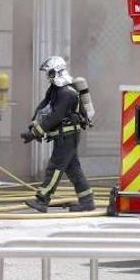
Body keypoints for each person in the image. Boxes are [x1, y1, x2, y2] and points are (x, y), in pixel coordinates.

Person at [21, 56, 94, 213]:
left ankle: (42, 200)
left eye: (49, 73)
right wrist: (33, 124)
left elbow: (55, 116)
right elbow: (44, 107)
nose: (47, 76)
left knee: (54, 167)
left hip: (67, 136)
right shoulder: (55, 90)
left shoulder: (67, 93)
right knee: (73, 170)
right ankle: (87, 201)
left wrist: (35, 134)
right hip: (63, 135)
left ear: (56, 72)